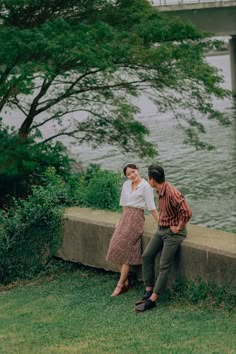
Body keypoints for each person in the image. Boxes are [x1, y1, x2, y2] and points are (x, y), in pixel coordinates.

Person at [135, 164, 192, 312]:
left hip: (173, 234)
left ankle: (153, 299)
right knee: (147, 256)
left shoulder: (172, 193)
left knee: (163, 265)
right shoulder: (159, 190)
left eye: (149, 178)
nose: (148, 180)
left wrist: (178, 227)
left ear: (152, 180)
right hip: (161, 230)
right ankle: (148, 290)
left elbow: (187, 212)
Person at [106, 162, 159, 297]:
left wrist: (160, 222)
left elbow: (151, 207)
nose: (132, 175)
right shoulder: (126, 185)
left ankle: (120, 285)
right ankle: (126, 279)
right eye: (128, 174)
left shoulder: (146, 186)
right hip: (126, 217)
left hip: (136, 218)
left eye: (133, 172)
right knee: (114, 248)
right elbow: (124, 204)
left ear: (138, 170)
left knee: (126, 254)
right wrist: (120, 221)